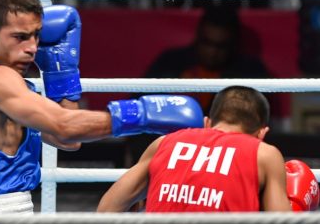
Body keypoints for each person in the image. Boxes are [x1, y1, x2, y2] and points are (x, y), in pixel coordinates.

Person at [0, 0, 204, 213]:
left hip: (14, 207)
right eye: (20, 37)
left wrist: (60, 72)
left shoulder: (13, 84)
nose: (32, 48)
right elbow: (65, 126)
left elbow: (67, 141)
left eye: (36, 36)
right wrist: (139, 114)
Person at [97, 86, 318, 212]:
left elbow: (107, 209)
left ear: (206, 123)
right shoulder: (265, 154)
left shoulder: (164, 143)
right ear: (262, 134)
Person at [144, 5, 270, 111]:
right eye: (207, 43)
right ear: (197, 37)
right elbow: (143, 104)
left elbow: (257, 119)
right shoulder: (170, 63)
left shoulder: (249, 72)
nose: (212, 52)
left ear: (233, 44)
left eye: (221, 46)